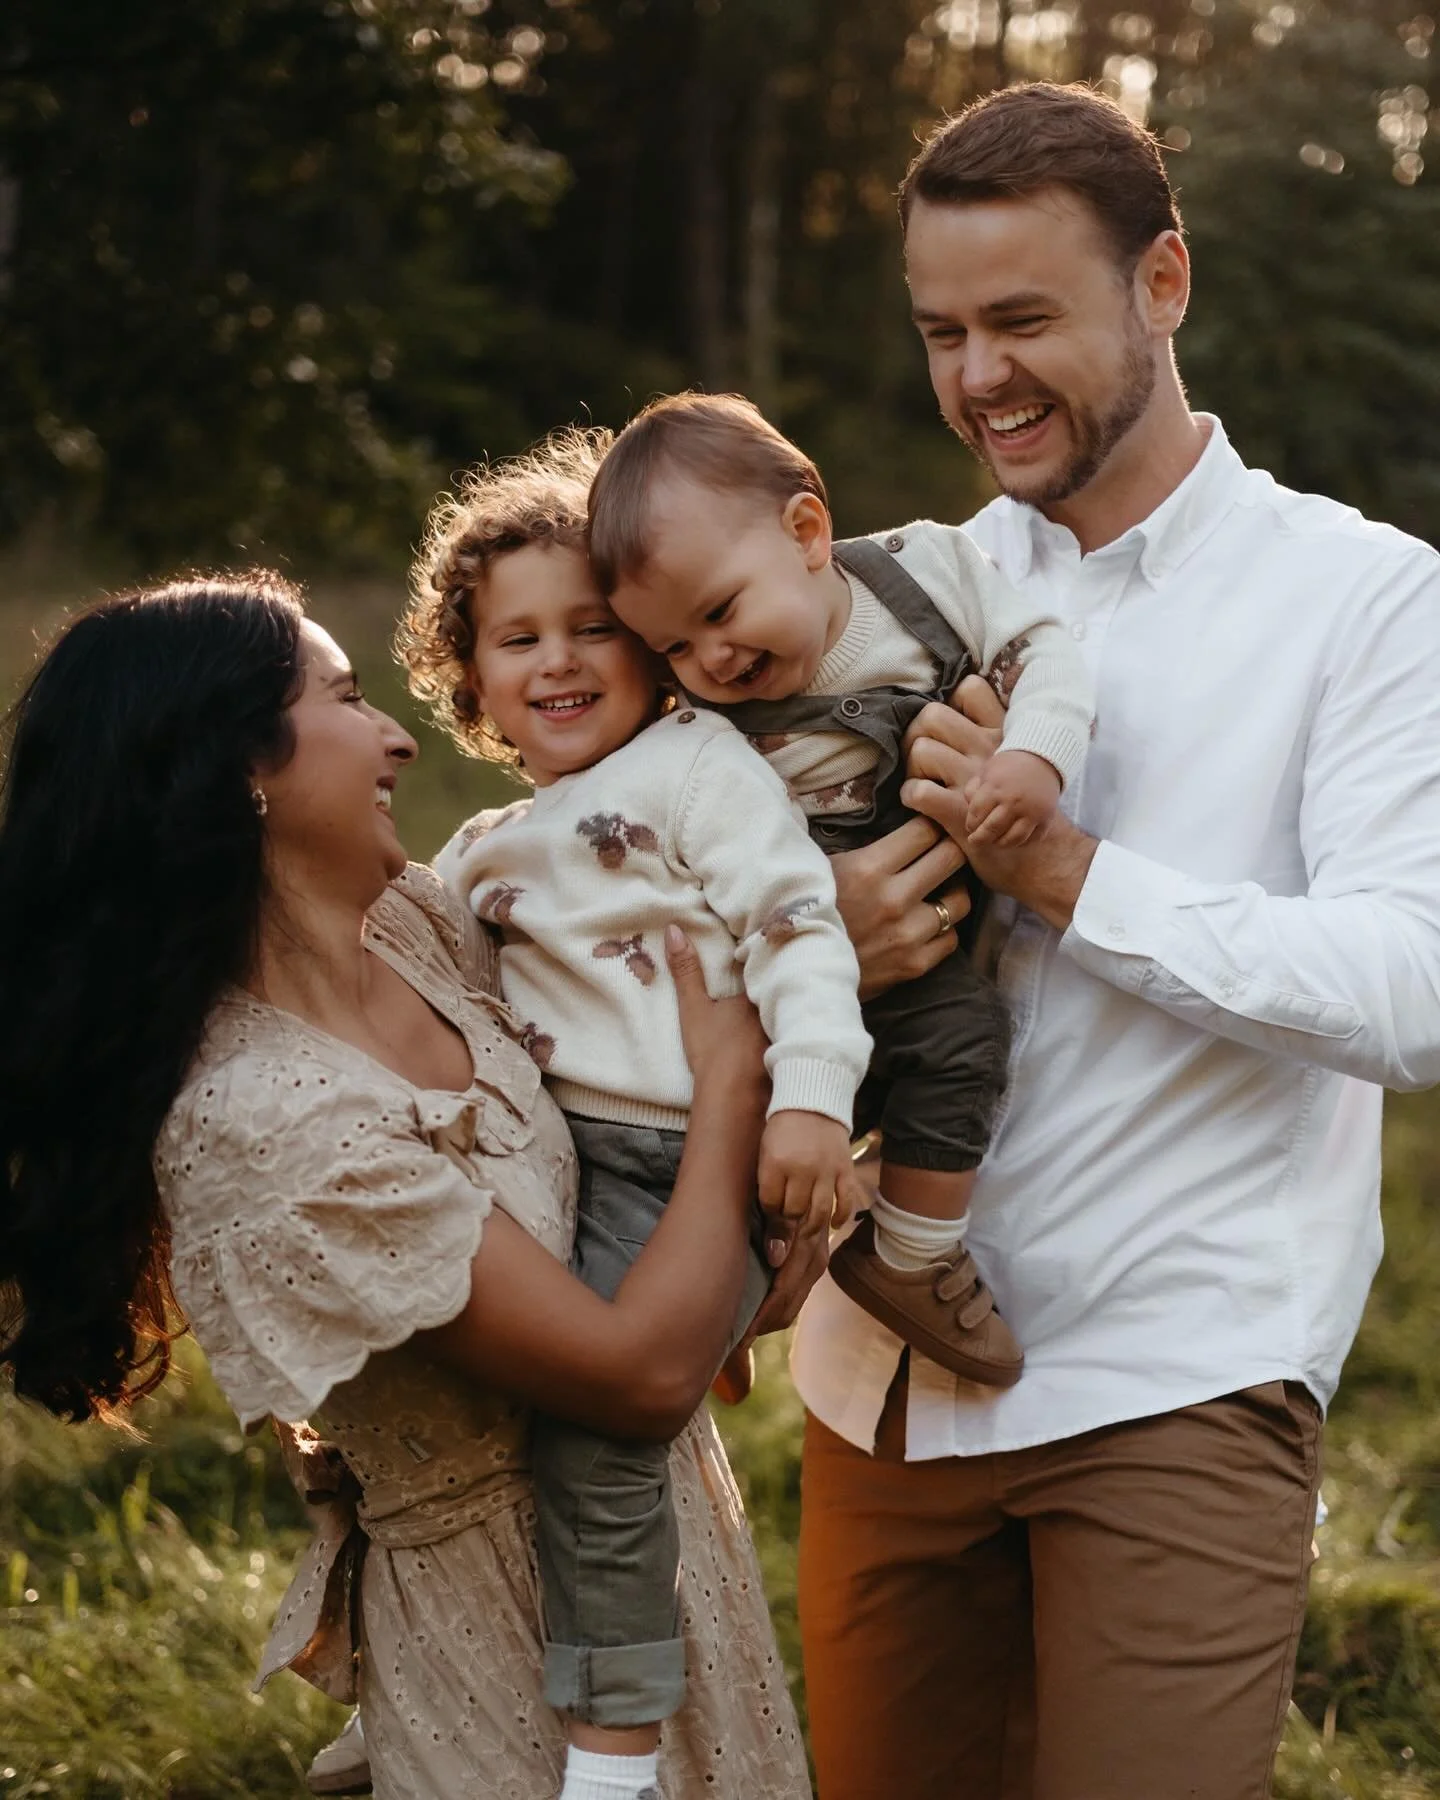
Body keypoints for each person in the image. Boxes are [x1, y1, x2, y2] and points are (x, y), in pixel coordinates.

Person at [790, 79, 1440, 1800]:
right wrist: (813, 938)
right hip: (878, 1390)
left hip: (1178, 1379)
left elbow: (1416, 991)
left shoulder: (1368, 601)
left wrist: (1070, 874)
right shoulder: (875, 596)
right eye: (942, 331)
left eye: (1022, 319)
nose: (977, 376)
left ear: (1164, 285)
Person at [0, 574, 812, 1800]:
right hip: (514, 1647)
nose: (395, 735)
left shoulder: (420, 928)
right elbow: (638, 1374)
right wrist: (739, 1084)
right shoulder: (259, 1116)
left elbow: (649, 1224)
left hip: (670, 1561)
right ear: (242, 769)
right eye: (345, 696)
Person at [396, 428, 867, 1795]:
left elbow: (800, 931)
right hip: (554, 1165)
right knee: (455, 1389)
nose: (555, 662)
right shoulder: (481, 850)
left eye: (592, 628)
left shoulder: (695, 768)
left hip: (681, 1159)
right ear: (472, 676)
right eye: (515, 638)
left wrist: (814, 1108)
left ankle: (614, 1748)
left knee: (598, 1439)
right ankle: (415, 1656)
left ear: (650, 646)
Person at [588, 392, 1091, 1384]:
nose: (712, 660)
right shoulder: (698, 724)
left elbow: (1046, 654)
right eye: (675, 649)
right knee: (742, 1145)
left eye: (722, 613)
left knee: (960, 1051)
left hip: (933, 944)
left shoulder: (932, 573)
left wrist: (1035, 754)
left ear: (808, 531)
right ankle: (711, 1297)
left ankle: (910, 1258)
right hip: (798, 971)